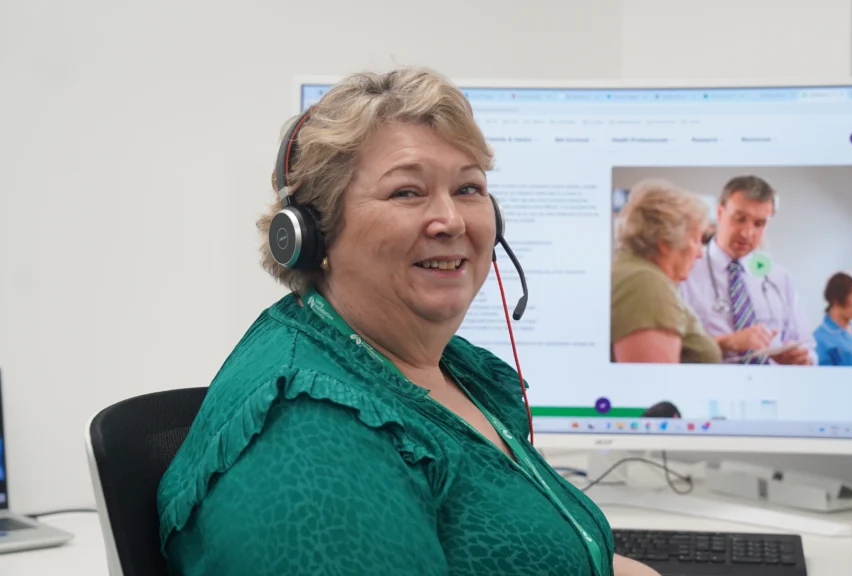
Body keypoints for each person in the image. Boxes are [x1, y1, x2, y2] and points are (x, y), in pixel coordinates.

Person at [155, 68, 658, 576]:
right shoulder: (312, 431)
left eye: (467, 188)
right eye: (407, 193)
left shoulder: (449, 369)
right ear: (314, 232)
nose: (452, 220)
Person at [678, 175, 816, 365]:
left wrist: (801, 359)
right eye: (739, 219)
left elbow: (809, 348)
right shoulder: (685, 271)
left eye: (759, 224)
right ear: (719, 213)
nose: (747, 233)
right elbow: (672, 350)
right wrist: (726, 343)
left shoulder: (781, 279)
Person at [610, 179, 722, 364]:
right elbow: (654, 386)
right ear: (665, 243)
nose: (700, 253)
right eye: (696, 240)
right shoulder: (645, 284)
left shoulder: (634, 273)